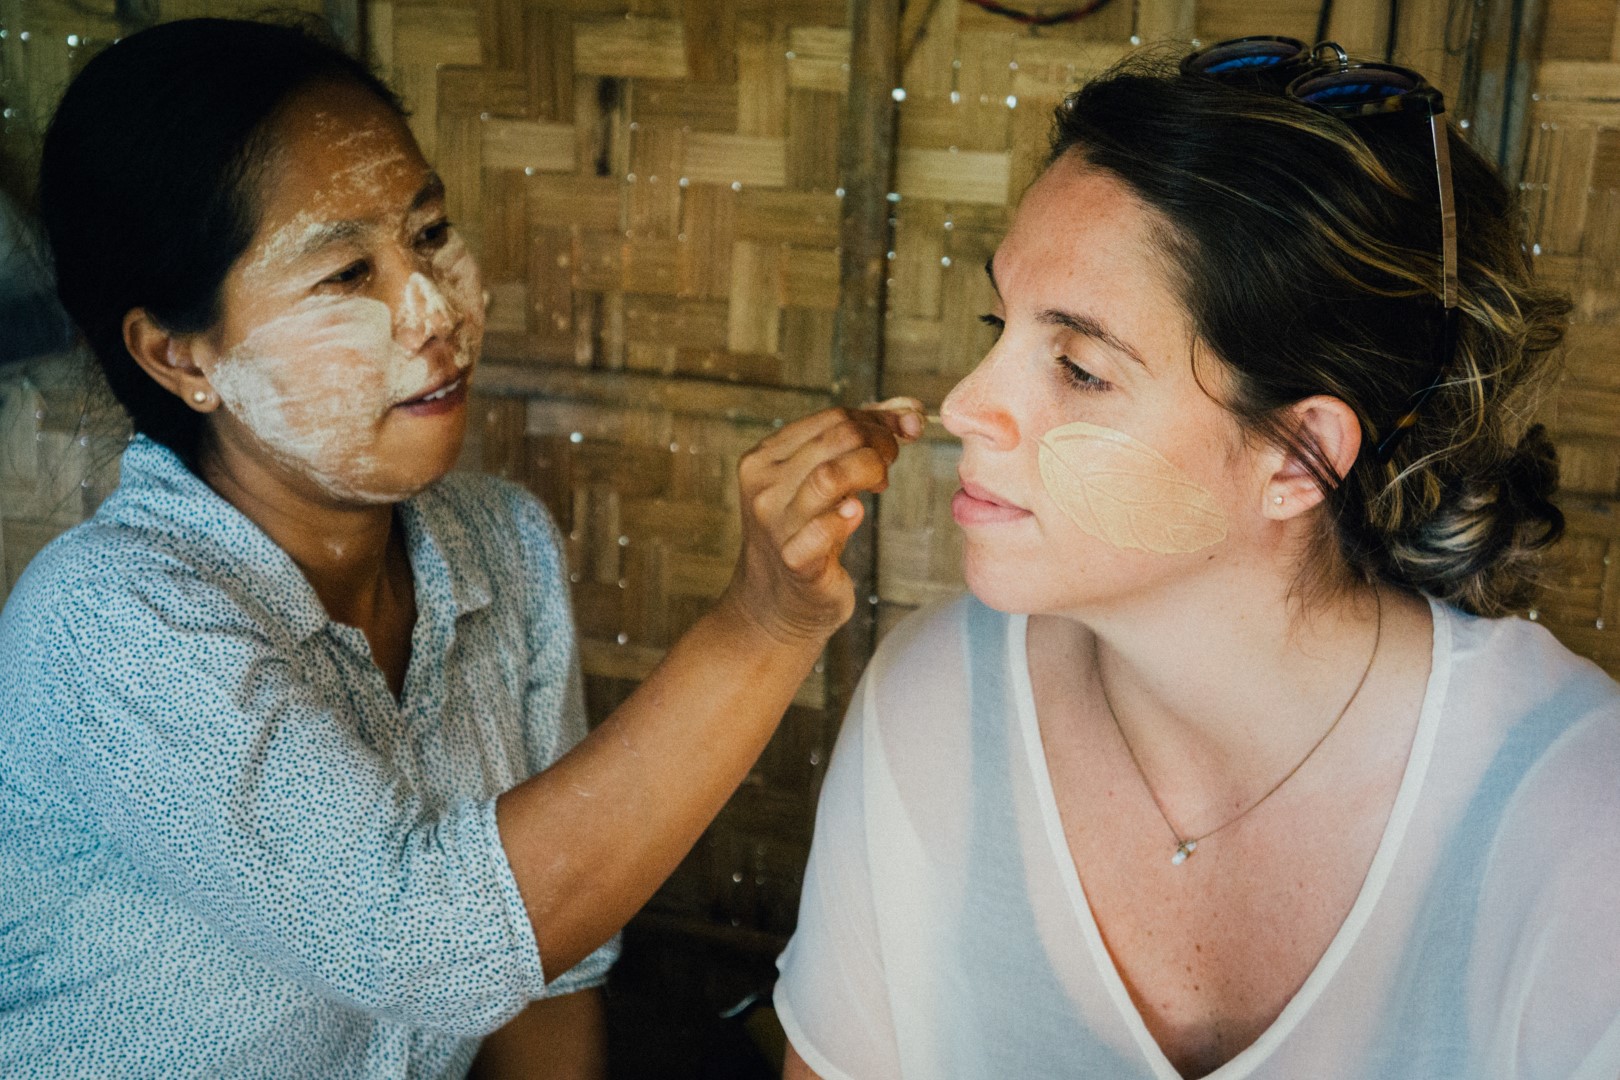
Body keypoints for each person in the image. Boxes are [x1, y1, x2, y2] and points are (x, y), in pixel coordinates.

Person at [0, 18, 922, 1078]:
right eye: (346, 274)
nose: (433, 311)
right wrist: (764, 623)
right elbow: (429, 942)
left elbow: (552, 972)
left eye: (429, 232)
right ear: (179, 356)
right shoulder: (111, 620)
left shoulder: (498, 544)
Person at [774, 41, 1620, 1080]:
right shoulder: (935, 701)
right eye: (1002, 325)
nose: (960, 405)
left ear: (1299, 457)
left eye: (1080, 368)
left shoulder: (1577, 818)